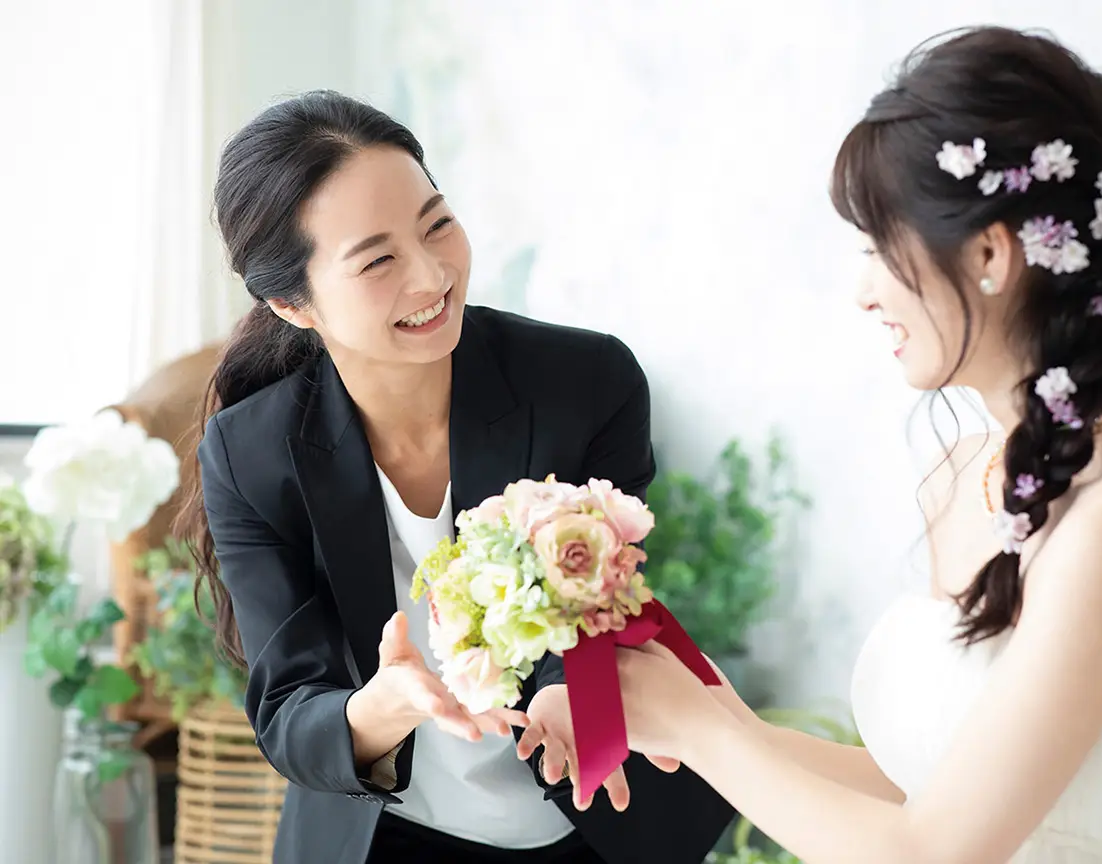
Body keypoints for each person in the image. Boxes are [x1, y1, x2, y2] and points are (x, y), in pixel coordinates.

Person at [599, 26, 1102, 864]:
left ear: (991, 253)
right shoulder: (968, 472)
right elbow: (921, 794)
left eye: (881, 247)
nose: (863, 290)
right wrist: (701, 717)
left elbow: (934, 852)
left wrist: (703, 733)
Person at [175, 91, 733, 864]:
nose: (432, 274)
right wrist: (382, 707)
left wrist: (565, 688)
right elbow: (289, 711)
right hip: (384, 835)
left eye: (436, 223)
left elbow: (602, 598)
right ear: (293, 303)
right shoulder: (252, 454)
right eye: (378, 260)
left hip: (595, 813)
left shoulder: (587, 383)